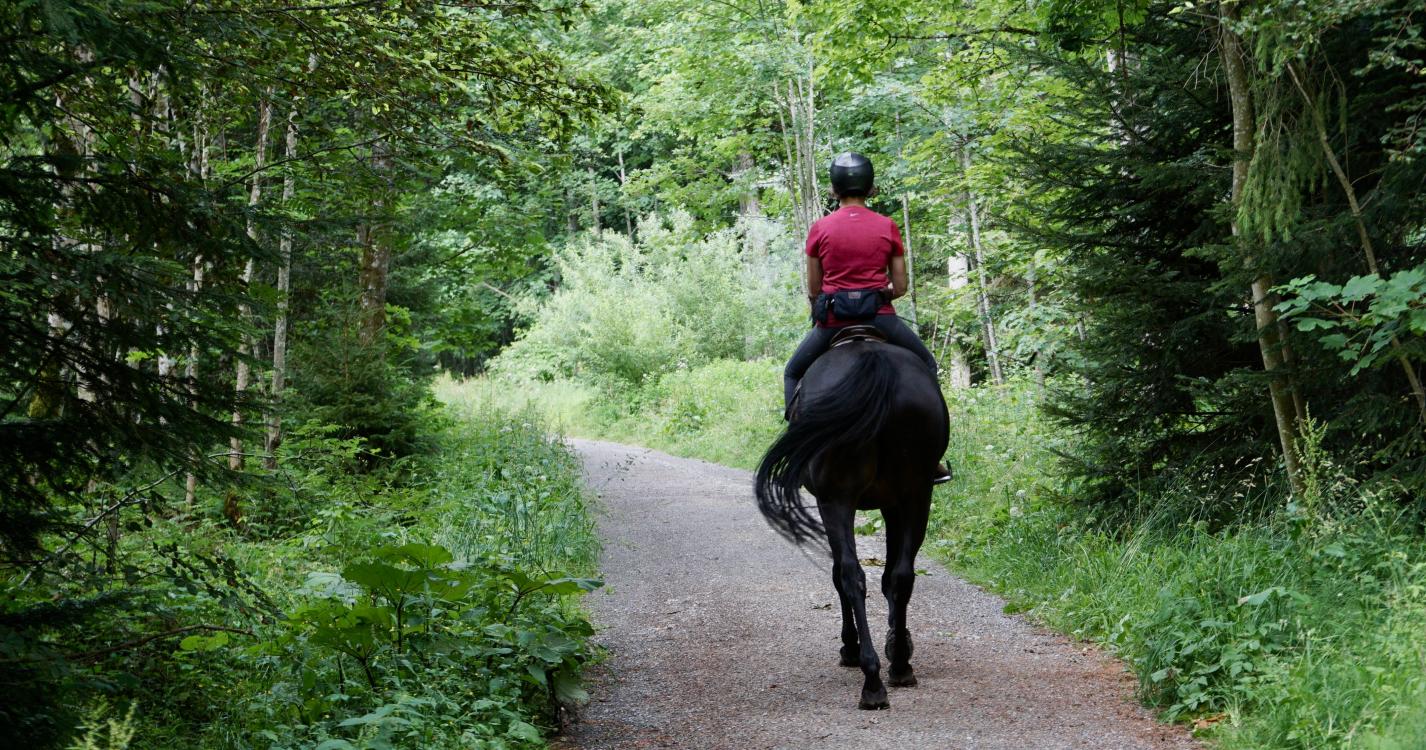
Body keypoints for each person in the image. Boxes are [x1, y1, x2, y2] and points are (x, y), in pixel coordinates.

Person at [783, 151, 951, 484]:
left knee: (793, 372)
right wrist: (878, 294)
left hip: (833, 323)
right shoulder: (887, 226)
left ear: (834, 190)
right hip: (880, 318)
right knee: (927, 365)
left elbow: (814, 288)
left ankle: (797, 452)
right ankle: (931, 459)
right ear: (871, 188)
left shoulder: (820, 228)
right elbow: (900, 286)